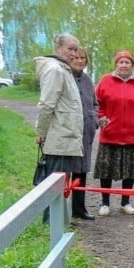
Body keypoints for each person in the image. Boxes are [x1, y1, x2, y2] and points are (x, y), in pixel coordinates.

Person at [34, 34, 83, 223]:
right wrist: (42, 132)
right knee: (55, 183)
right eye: (70, 49)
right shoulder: (55, 69)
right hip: (59, 136)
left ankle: (58, 221)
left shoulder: (64, 70)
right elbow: (46, 105)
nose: (74, 53)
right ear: (58, 47)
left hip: (66, 135)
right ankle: (51, 223)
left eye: (76, 49)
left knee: (62, 182)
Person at [94, 50, 134, 217]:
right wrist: (102, 118)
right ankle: (105, 203)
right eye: (121, 62)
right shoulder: (105, 81)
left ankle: (125, 202)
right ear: (116, 64)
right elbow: (97, 103)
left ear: (132, 65)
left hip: (132, 135)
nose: (124, 65)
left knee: (129, 171)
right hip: (110, 134)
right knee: (106, 170)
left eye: (127, 62)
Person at [69, 46, 98, 221]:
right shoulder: (65, 78)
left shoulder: (87, 80)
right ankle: (62, 212)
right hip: (70, 133)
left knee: (81, 172)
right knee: (66, 173)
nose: (79, 61)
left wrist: (94, 118)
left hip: (86, 133)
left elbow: (95, 103)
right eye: (76, 58)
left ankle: (79, 208)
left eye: (82, 58)